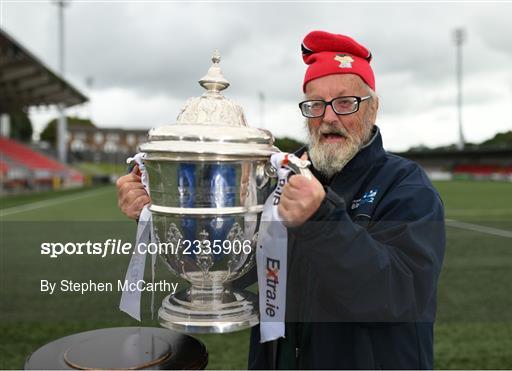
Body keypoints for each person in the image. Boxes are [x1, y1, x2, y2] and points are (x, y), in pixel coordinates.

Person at [117, 30, 445, 370]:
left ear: (373, 108)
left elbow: (401, 296)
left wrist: (321, 219)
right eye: (316, 104)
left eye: (346, 102)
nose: (328, 117)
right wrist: (161, 214)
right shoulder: (278, 177)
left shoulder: (406, 186)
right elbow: (233, 267)